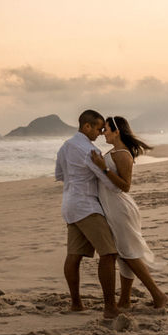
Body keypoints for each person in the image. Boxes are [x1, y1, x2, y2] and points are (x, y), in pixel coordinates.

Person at [89, 116, 168, 309]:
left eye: (106, 129)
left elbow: (125, 186)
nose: (102, 133)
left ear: (117, 131)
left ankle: (158, 295)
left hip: (119, 208)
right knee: (123, 253)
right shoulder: (114, 151)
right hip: (112, 207)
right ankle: (125, 299)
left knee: (128, 253)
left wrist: (104, 168)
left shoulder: (123, 154)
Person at [54, 109, 120, 319]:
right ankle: (110, 307)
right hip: (86, 206)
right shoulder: (89, 150)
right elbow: (109, 183)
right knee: (108, 253)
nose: (101, 133)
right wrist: (108, 172)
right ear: (87, 127)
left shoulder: (65, 147)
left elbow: (59, 175)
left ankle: (76, 304)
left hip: (69, 204)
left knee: (74, 255)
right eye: (99, 128)